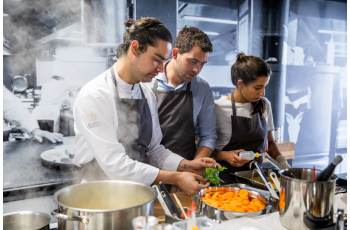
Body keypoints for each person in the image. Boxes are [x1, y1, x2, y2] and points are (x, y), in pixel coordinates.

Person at [73, 17, 215, 195]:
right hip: (97, 192)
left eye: (164, 61)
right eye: (157, 59)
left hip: (136, 191)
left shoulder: (146, 94)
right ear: (135, 48)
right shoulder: (95, 95)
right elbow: (114, 165)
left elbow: (155, 150)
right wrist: (175, 177)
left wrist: (185, 165)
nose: (161, 69)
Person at [213, 53, 291, 184]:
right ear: (241, 84)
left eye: (264, 86)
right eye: (258, 87)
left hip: (255, 179)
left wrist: (285, 165)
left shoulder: (264, 105)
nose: (263, 93)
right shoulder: (218, 108)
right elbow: (203, 148)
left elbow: (270, 143)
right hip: (224, 181)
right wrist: (224, 155)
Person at [146, 26, 217, 161]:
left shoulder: (202, 88)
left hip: (187, 170)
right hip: (150, 171)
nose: (197, 69)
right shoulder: (146, 83)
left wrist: (193, 168)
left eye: (202, 64)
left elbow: (208, 136)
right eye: (193, 61)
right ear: (175, 53)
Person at [31, 61, 80, 133]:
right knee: (52, 136)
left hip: (38, 111)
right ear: (61, 78)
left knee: (37, 136)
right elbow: (78, 86)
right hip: (51, 112)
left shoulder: (45, 85)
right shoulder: (62, 84)